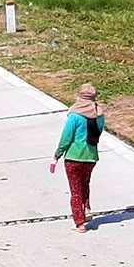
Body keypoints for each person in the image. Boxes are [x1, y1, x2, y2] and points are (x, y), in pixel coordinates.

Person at [53, 83, 106, 233]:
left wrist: (58, 153)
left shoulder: (75, 115)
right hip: (91, 157)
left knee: (75, 190)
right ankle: (87, 208)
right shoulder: (99, 115)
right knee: (85, 183)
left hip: (73, 157)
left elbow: (66, 137)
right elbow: (99, 132)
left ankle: (80, 223)